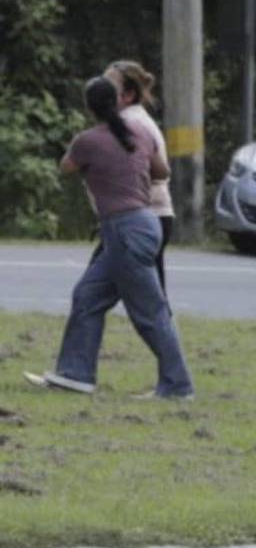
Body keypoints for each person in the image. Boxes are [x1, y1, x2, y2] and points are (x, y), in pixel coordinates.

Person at [23, 77, 194, 399]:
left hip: (125, 230)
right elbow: (162, 172)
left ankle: (178, 385)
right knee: (87, 297)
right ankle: (75, 375)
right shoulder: (141, 133)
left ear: (88, 107)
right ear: (117, 102)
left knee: (149, 313)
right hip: (143, 225)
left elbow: (66, 168)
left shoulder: (87, 141)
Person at [104, 60, 175, 293]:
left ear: (128, 95)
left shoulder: (130, 124)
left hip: (141, 220)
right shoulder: (133, 120)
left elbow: (149, 170)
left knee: (91, 293)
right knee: (152, 299)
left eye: (108, 87)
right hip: (150, 217)